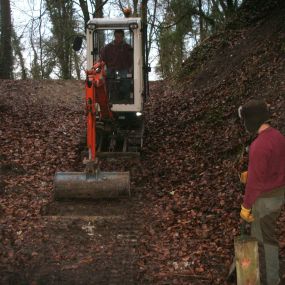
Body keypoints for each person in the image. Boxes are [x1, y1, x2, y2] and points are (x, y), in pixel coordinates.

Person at [238, 99, 285, 285]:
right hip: (278, 194)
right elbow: (277, 164)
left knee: (265, 240)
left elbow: (254, 184)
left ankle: (271, 279)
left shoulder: (259, 145)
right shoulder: (278, 136)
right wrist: (252, 172)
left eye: (245, 120)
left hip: (265, 200)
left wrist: (246, 206)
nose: (244, 125)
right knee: (265, 236)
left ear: (253, 120)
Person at [100, 29, 133, 103]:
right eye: (117, 36)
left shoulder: (128, 47)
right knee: (108, 82)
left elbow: (132, 60)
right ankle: (110, 99)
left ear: (123, 37)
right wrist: (103, 70)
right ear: (114, 36)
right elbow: (102, 60)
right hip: (111, 69)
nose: (118, 38)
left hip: (124, 69)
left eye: (120, 36)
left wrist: (130, 68)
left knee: (126, 81)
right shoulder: (107, 48)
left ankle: (125, 99)